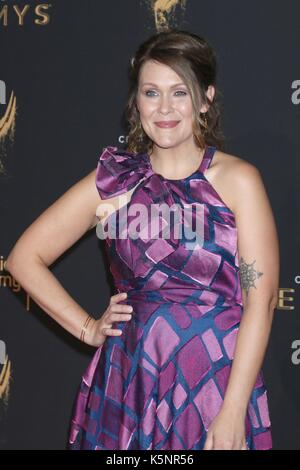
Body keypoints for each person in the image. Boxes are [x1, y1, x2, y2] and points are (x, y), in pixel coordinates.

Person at [6, 29, 279, 451]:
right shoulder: (116, 183)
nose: (165, 108)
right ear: (136, 101)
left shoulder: (239, 181)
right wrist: (88, 328)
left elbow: (259, 302)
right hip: (131, 380)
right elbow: (24, 258)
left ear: (205, 98)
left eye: (179, 93)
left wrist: (232, 409)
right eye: (151, 93)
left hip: (216, 381)